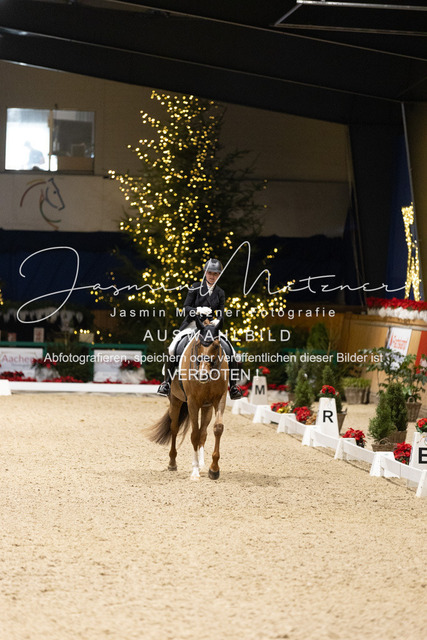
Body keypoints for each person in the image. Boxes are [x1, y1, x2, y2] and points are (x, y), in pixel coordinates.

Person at [157, 258, 243, 399]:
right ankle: (166, 383)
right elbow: (186, 307)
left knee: (231, 351)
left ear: (219, 275)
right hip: (193, 324)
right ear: (205, 273)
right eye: (210, 273)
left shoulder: (220, 292)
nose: (212, 276)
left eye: (215, 274)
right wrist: (197, 310)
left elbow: (221, 312)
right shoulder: (195, 287)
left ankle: (233, 387)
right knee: (172, 348)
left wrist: (218, 320)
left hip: (211, 327)